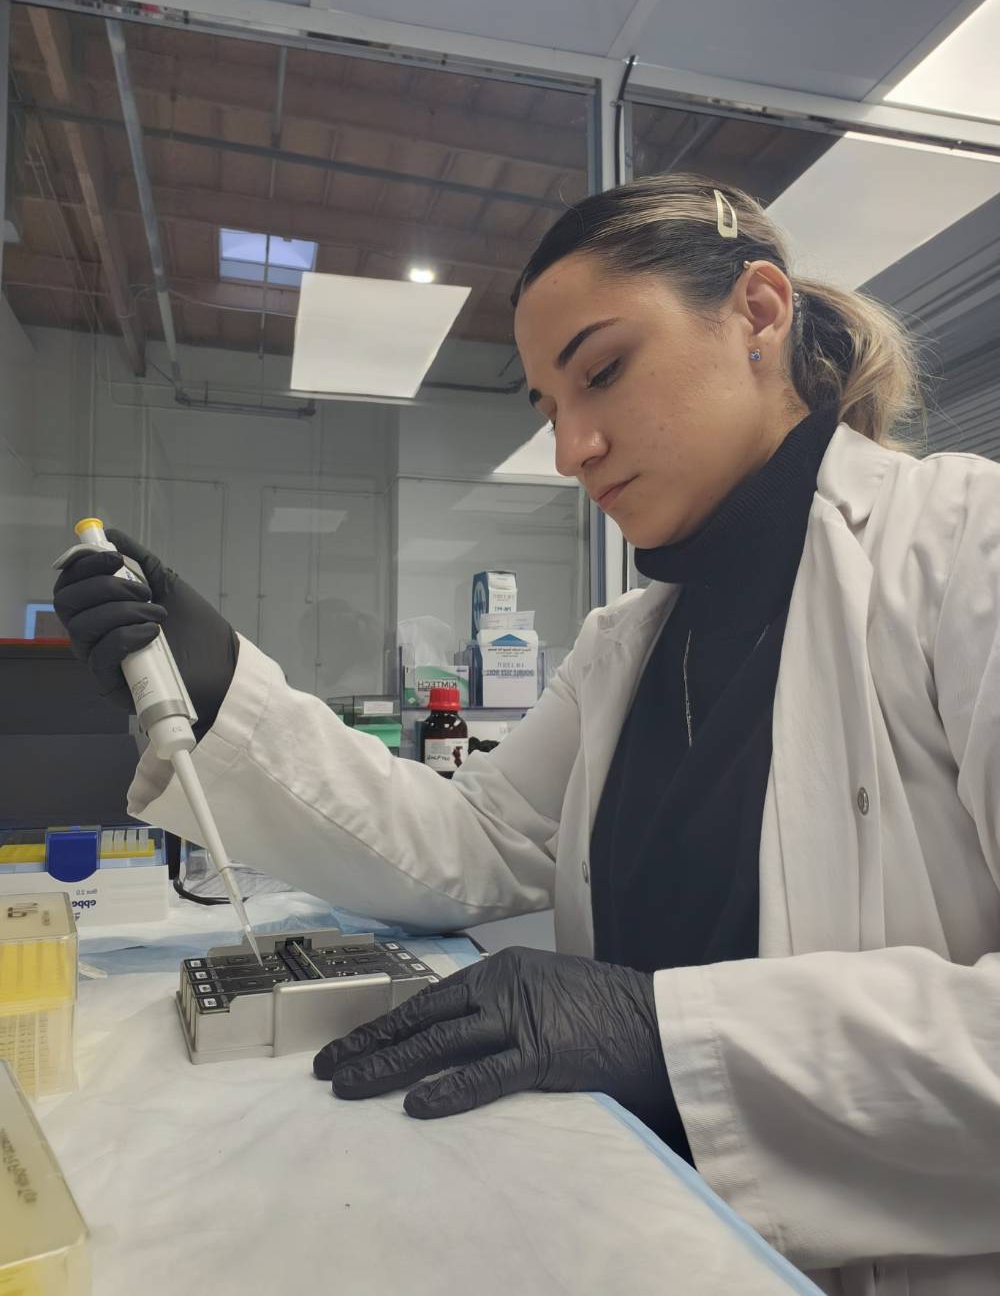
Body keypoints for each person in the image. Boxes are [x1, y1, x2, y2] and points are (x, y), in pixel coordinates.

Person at [54, 174, 1000, 1295]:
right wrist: (221, 690)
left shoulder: (959, 548)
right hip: (647, 1220)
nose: (571, 450)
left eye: (601, 371)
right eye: (549, 406)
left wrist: (668, 1033)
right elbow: (462, 840)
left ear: (756, 312)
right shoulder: (629, 644)